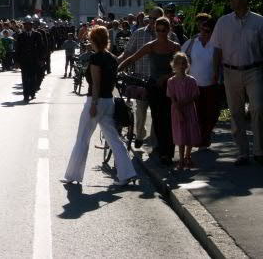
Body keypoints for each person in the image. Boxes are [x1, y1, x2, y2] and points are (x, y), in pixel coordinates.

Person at [61, 26, 137, 186]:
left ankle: (73, 175)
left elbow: (96, 84)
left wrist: (94, 104)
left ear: (93, 40)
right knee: (114, 140)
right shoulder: (112, 58)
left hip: (96, 100)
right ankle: (127, 173)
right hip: (109, 101)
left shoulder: (96, 58)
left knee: (82, 138)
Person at [211, 0, 263, 165]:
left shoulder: (259, 21)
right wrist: (215, 72)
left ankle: (259, 151)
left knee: (258, 108)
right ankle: (243, 152)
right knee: (235, 112)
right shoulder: (223, 22)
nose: (231, 0)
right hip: (230, 72)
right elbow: (217, 49)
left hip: (254, 70)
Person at [119, 17, 180, 165]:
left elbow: (180, 67)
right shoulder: (151, 46)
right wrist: (117, 68)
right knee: (157, 118)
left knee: (169, 119)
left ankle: (168, 153)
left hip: (170, 86)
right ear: (155, 30)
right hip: (154, 86)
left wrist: (166, 76)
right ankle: (162, 151)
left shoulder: (175, 47)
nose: (161, 33)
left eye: (163, 30)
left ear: (168, 30)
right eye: (158, 30)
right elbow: (132, 58)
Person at [182, 15, 220, 148]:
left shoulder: (217, 44)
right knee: (197, 113)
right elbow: (180, 57)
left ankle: (206, 135)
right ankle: (200, 138)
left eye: (207, 31)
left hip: (212, 85)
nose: (203, 33)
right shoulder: (193, 42)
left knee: (211, 114)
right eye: (202, 29)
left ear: (213, 32)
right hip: (194, 85)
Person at [167, 53, 202, 169]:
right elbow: (172, 98)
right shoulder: (171, 81)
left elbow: (195, 95)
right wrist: (178, 111)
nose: (181, 66)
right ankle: (181, 159)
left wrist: (185, 102)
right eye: (178, 63)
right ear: (174, 65)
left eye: (183, 63)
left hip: (189, 109)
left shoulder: (191, 80)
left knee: (190, 132)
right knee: (180, 133)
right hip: (177, 110)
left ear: (187, 65)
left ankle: (188, 156)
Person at [14, 17, 44, 102]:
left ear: (31, 25)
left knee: (33, 78)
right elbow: (18, 49)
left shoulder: (37, 35)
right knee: (25, 78)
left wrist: (41, 59)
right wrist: (17, 61)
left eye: (29, 25)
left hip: (35, 60)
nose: (27, 26)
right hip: (24, 61)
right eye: (25, 25)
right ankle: (26, 95)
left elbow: (41, 48)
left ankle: (32, 92)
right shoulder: (21, 36)